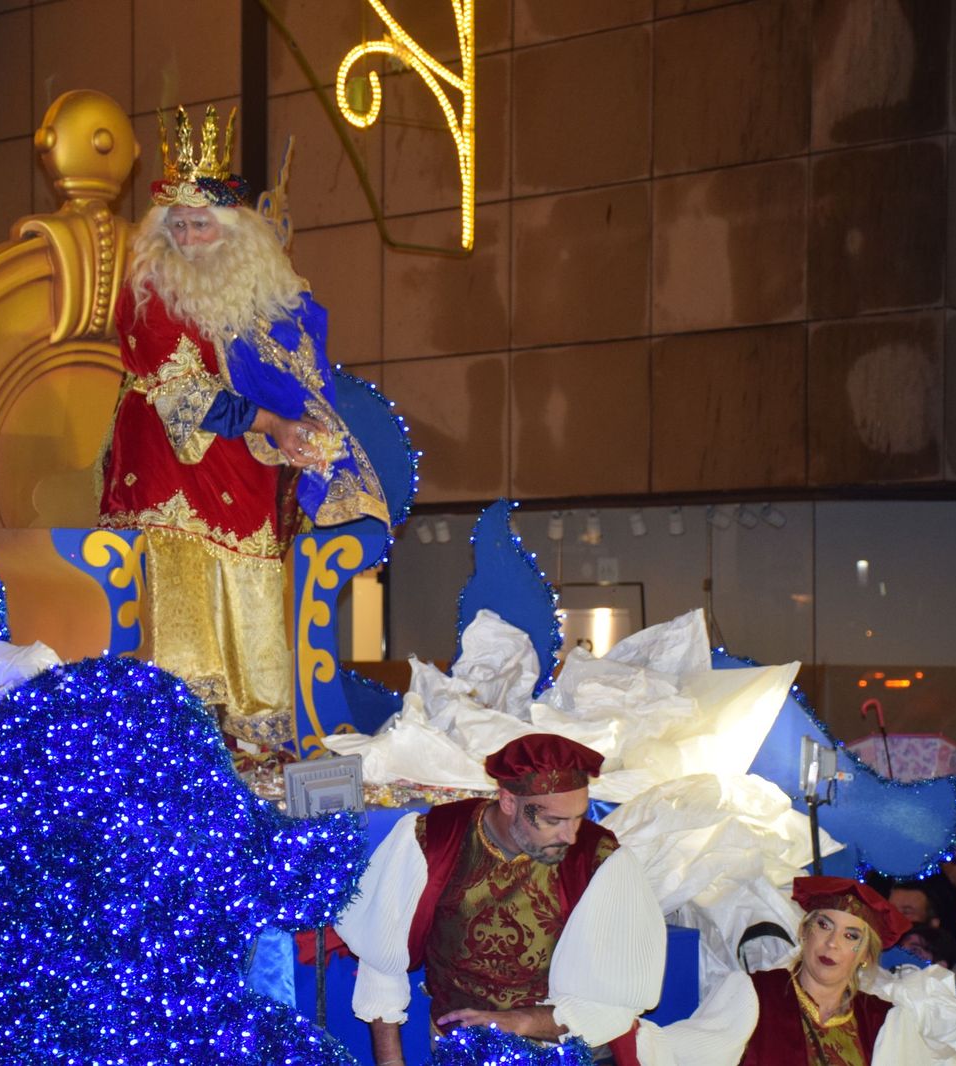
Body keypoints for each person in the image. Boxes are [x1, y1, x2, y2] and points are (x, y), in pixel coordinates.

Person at [98, 105, 387, 747]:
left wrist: (293, 420)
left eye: (201, 225)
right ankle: (185, 738)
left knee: (254, 581)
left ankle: (257, 735)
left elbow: (284, 360)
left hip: (243, 461)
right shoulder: (150, 290)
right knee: (188, 594)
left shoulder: (253, 283)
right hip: (171, 464)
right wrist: (274, 424)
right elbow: (182, 394)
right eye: (178, 226)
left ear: (231, 228)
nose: (190, 240)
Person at [333, 734, 665, 1064]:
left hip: (566, 1050)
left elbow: (613, 1006)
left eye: (578, 817)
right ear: (508, 802)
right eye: (553, 821)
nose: (571, 835)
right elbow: (380, 965)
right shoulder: (433, 840)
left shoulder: (598, 860)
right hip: (464, 1053)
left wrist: (523, 1021)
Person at [740, 876, 956, 1065]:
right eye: (824, 925)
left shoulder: (882, 1019)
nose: (832, 943)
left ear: (866, 956)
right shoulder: (754, 993)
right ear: (805, 932)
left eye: (851, 936)